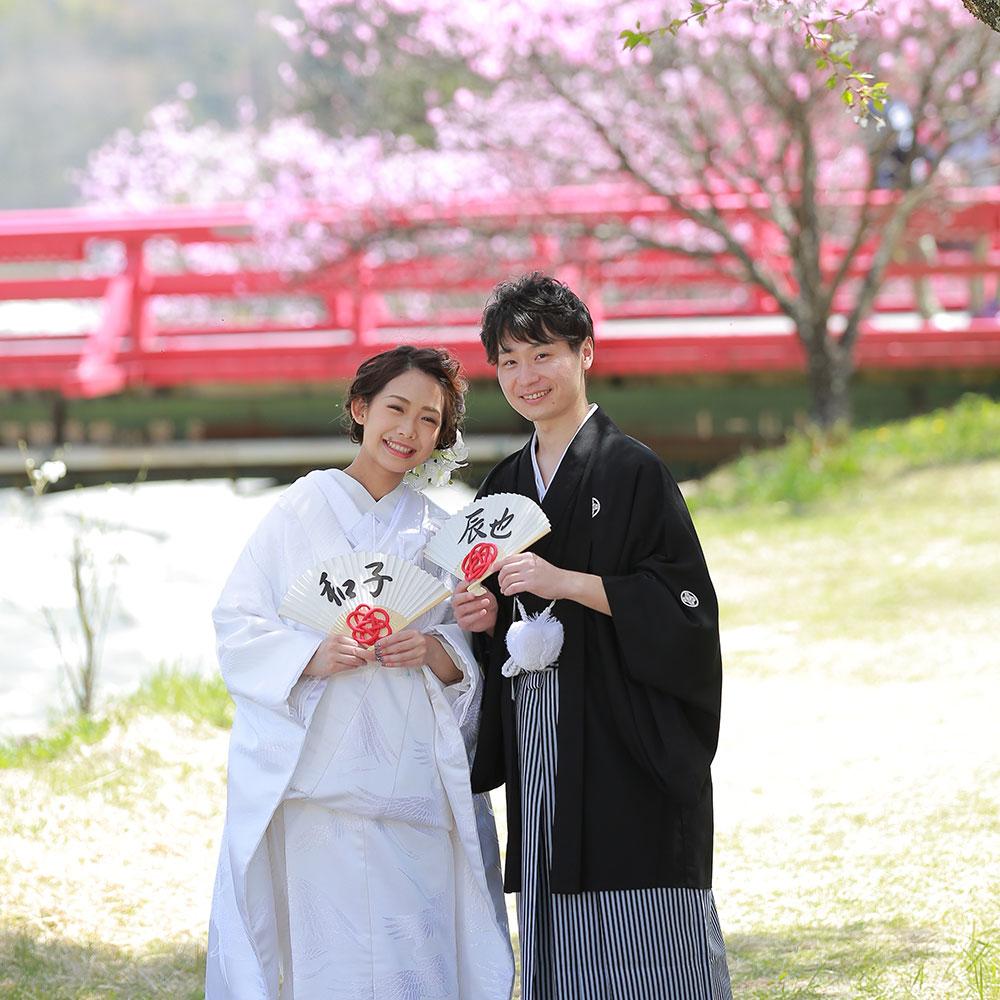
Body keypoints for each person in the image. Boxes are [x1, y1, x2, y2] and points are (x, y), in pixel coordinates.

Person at [452, 273, 732, 1000]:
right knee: (556, 905)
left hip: (624, 727)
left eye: (542, 353)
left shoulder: (634, 470)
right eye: (507, 362)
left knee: (645, 916)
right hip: (543, 732)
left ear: (585, 352)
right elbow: (493, 608)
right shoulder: (504, 485)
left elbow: (688, 610)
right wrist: (481, 621)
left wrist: (565, 582)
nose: (525, 376)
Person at [206, 345, 514, 1000]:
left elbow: (464, 654)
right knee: (329, 963)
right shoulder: (298, 511)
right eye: (396, 409)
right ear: (360, 408)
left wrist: (436, 652)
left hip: (410, 783)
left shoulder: (441, 531)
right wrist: (307, 655)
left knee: (417, 954)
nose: (408, 432)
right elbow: (238, 621)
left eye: (429, 420)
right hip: (319, 784)